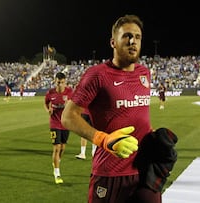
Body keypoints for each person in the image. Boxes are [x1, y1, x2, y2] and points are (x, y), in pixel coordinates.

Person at [61, 14, 163, 202]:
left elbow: (137, 114)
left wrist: (153, 136)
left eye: (137, 37)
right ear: (113, 42)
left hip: (145, 172)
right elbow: (68, 116)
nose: (133, 41)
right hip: (110, 174)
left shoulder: (144, 73)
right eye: (126, 36)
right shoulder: (97, 75)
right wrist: (103, 139)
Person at [44, 72, 74, 184]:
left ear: (65, 82)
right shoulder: (50, 93)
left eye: (62, 82)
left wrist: (69, 104)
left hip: (66, 123)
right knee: (56, 148)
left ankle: (57, 161)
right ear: (55, 81)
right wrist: (48, 110)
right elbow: (46, 103)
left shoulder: (70, 92)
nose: (60, 84)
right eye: (58, 82)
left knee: (62, 148)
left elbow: (75, 103)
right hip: (54, 123)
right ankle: (57, 173)